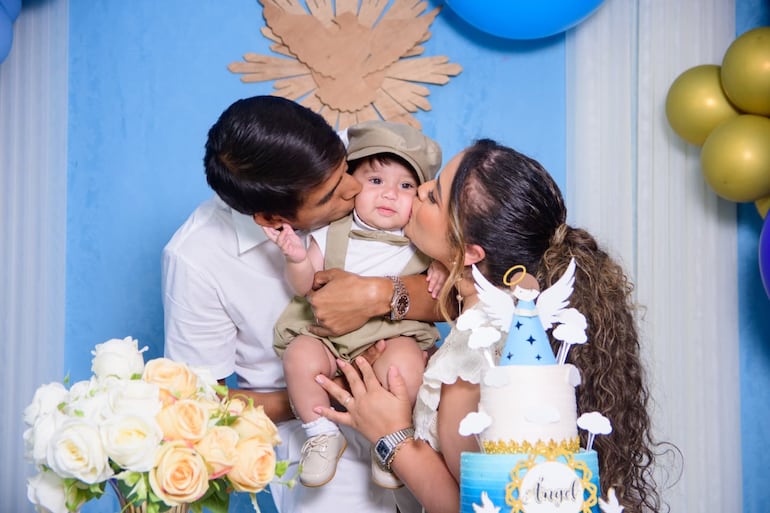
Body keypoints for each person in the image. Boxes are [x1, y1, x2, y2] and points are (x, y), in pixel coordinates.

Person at [314, 139, 670, 513]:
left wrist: (393, 436)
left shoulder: (473, 357)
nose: (419, 189)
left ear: (470, 252)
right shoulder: (511, 318)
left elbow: (477, 506)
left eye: (434, 196)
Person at [162, 95, 440, 513]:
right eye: (331, 194)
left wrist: (376, 295)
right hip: (314, 444)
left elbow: (466, 290)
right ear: (275, 221)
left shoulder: (366, 158)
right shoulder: (196, 258)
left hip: (414, 406)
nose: (355, 187)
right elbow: (202, 406)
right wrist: (339, 391)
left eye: (344, 166)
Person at [266, 121, 447, 488]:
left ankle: (395, 438)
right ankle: (320, 433)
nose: (389, 194)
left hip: (392, 336)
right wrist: (298, 259)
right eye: (376, 181)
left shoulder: (421, 239)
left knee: (407, 364)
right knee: (300, 355)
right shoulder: (331, 231)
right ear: (350, 185)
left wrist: (443, 267)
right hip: (328, 340)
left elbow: (451, 287)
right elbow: (305, 287)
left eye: (406, 186)